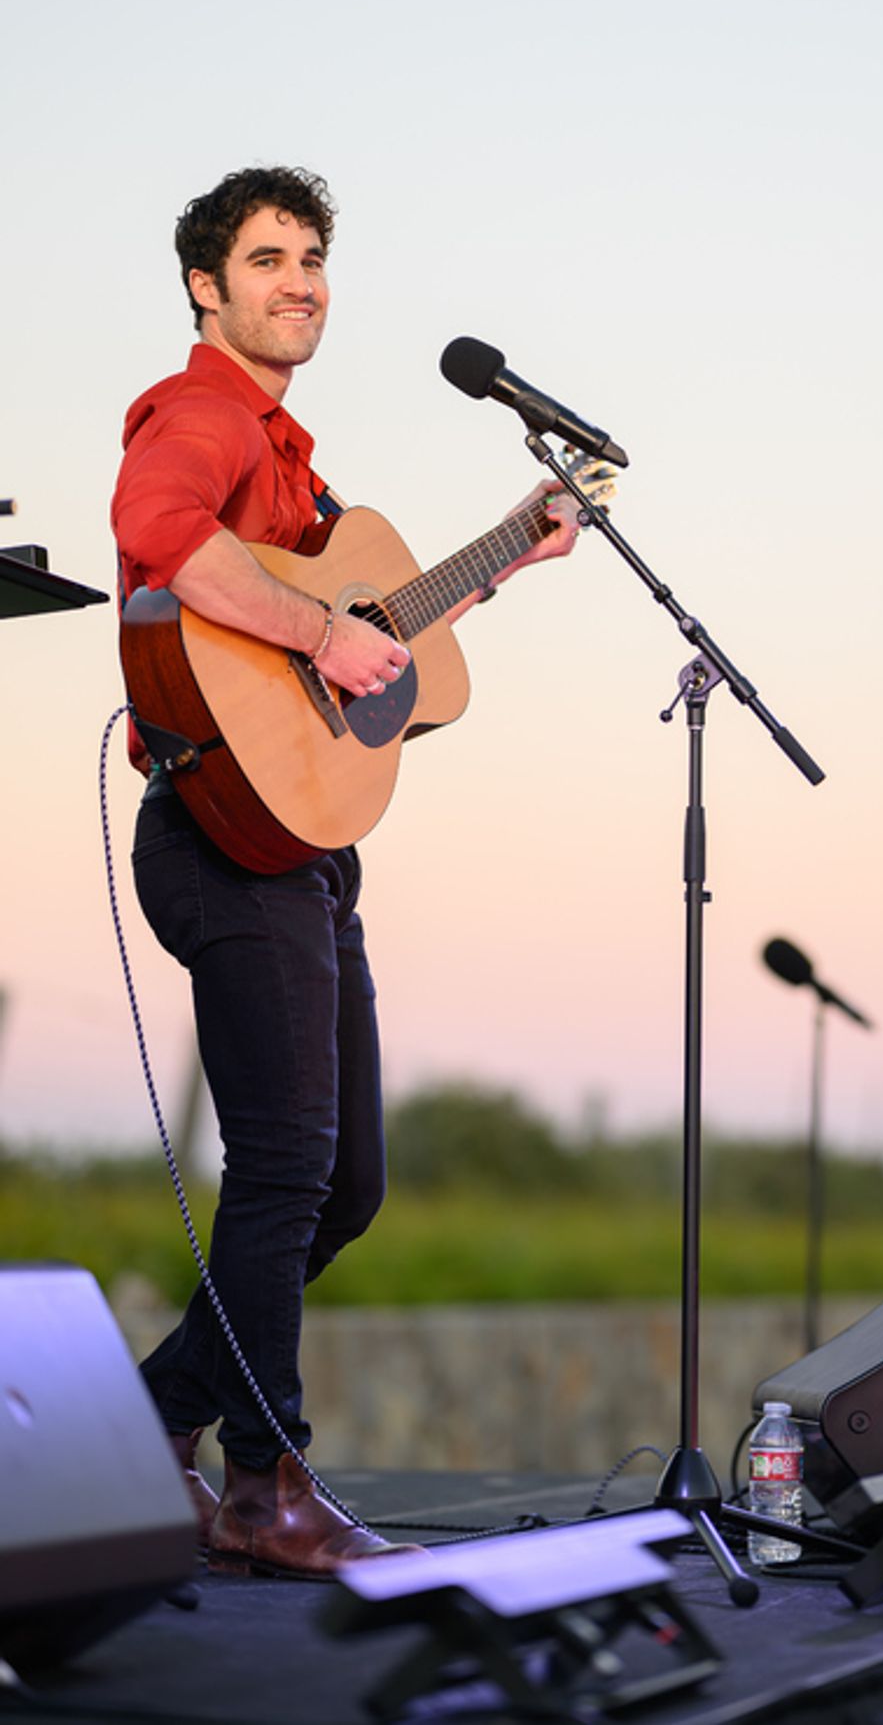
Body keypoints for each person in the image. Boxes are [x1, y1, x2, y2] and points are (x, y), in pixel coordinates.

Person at [110, 167, 578, 1575]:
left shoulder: (298, 465)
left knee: (343, 1184)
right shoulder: (196, 414)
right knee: (281, 1171)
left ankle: (144, 1423)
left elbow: (379, 631)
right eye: (267, 257)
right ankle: (265, 1484)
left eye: (313, 255)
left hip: (307, 855)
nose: (299, 279)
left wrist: (504, 559)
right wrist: (320, 640)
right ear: (209, 285)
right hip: (225, 844)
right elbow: (164, 542)